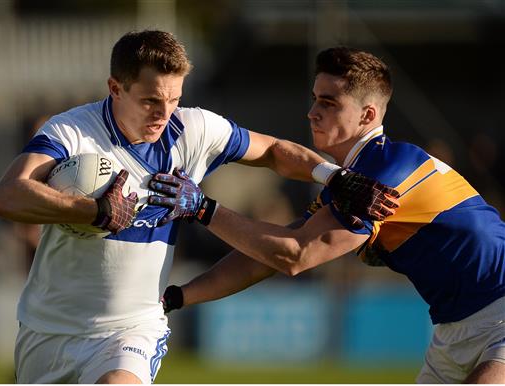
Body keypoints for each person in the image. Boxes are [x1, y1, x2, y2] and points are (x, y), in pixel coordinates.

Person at [0, 31, 399, 384]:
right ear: (115, 88)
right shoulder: (72, 131)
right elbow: (8, 195)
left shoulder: (193, 128)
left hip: (130, 329)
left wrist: (333, 177)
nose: (163, 113)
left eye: (173, 99)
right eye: (151, 100)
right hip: (47, 330)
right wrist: (92, 212)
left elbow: (274, 151)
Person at [150, 47, 505, 384]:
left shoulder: (383, 170)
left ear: (367, 115)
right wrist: (176, 297)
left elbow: (295, 256)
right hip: (454, 327)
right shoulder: (351, 183)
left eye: (328, 102)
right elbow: (264, 258)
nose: (312, 112)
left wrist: (203, 208)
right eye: (315, 99)